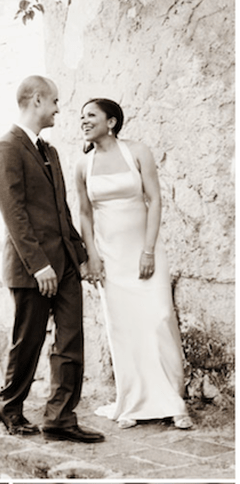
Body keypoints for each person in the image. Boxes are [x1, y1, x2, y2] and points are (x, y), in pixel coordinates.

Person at [0, 75, 104, 443]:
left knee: (70, 341)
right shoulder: (6, 148)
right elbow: (14, 214)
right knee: (29, 340)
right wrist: (39, 265)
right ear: (37, 100)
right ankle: (9, 405)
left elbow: (61, 210)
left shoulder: (49, 151)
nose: (58, 108)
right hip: (32, 268)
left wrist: (81, 254)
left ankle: (60, 418)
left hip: (66, 262)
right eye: (54, 101)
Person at [75, 98, 193, 430]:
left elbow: (154, 199)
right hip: (110, 256)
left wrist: (149, 250)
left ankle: (174, 401)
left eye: (91, 116)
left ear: (111, 122)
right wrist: (92, 255)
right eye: (81, 117)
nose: (83, 121)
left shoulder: (138, 151)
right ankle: (132, 402)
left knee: (159, 318)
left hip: (145, 249)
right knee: (123, 328)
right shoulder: (83, 165)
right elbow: (84, 213)